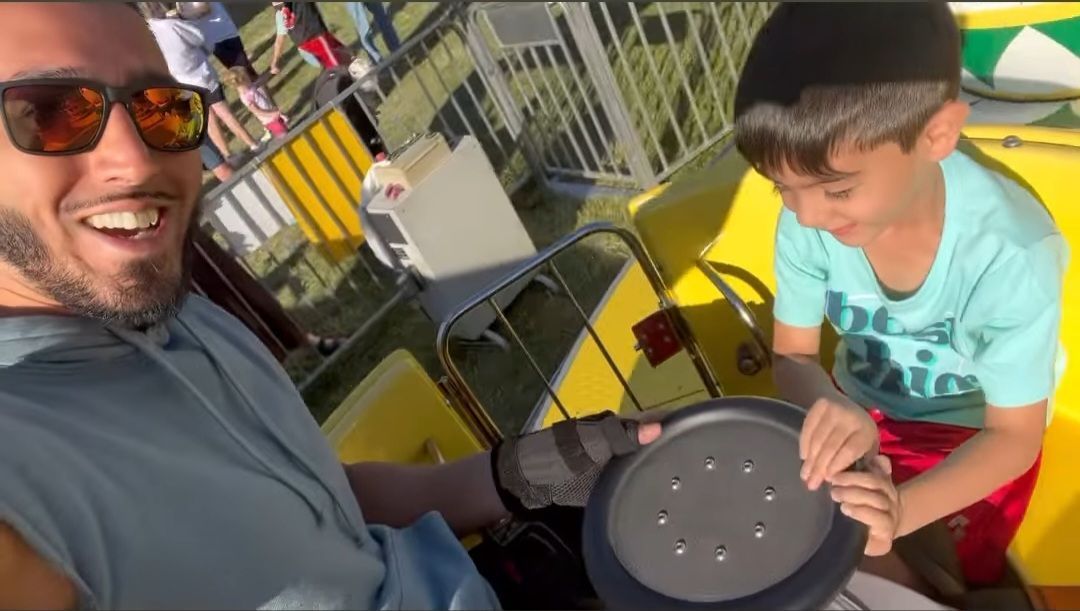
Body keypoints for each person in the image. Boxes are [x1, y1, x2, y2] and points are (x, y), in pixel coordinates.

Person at [0, 4, 661, 608]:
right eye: (52, 112)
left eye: (161, 106)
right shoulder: (21, 463)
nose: (138, 157)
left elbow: (320, 501)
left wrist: (507, 475)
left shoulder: (183, 319)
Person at [733, 0, 1068, 598]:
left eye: (836, 188)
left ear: (937, 134)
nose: (805, 214)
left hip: (973, 442)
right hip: (860, 418)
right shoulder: (810, 220)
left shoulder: (1011, 253)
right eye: (783, 188)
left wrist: (899, 514)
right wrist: (834, 407)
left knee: (893, 577)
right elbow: (793, 358)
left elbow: (1014, 437)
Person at [140, 2, 260, 154]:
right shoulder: (172, 25)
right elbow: (198, 37)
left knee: (208, 119)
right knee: (224, 112)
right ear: (157, 8)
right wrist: (181, 20)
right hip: (200, 75)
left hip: (181, 81)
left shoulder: (147, 35)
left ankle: (228, 155)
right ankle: (252, 143)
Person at [177, 2, 259, 81]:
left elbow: (204, 8)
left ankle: (259, 91)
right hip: (212, 40)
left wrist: (183, 15)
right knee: (238, 74)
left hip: (225, 34)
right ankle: (251, 92)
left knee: (245, 71)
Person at [270, 1, 352, 73]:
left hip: (304, 39)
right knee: (336, 65)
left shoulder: (279, 11)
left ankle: (354, 75)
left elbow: (280, 38)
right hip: (312, 35)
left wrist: (275, 61)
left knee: (343, 54)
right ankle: (348, 85)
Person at [221, 66, 289, 140]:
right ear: (242, 81)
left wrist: (270, 73)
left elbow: (261, 81)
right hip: (269, 119)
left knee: (286, 131)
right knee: (283, 135)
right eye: (247, 77)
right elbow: (257, 111)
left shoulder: (250, 86)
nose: (249, 78)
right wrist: (272, 114)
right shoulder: (246, 97)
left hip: (273, 114)